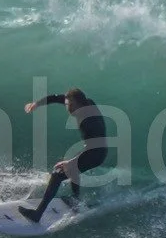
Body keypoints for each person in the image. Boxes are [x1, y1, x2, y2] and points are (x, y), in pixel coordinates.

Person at [21, 87, 110, 221]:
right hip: (93, 150)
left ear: (79, 103)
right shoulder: (83, 102)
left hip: (96, 154)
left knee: (57, 174)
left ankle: (37, 214)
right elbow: (56, 98)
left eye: (70, 105)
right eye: (67, 104)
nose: (67, 107)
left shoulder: (88, 121)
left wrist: (70, 162)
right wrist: (36, 104)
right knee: (70, 167)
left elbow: (92, 147)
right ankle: (75, 200)